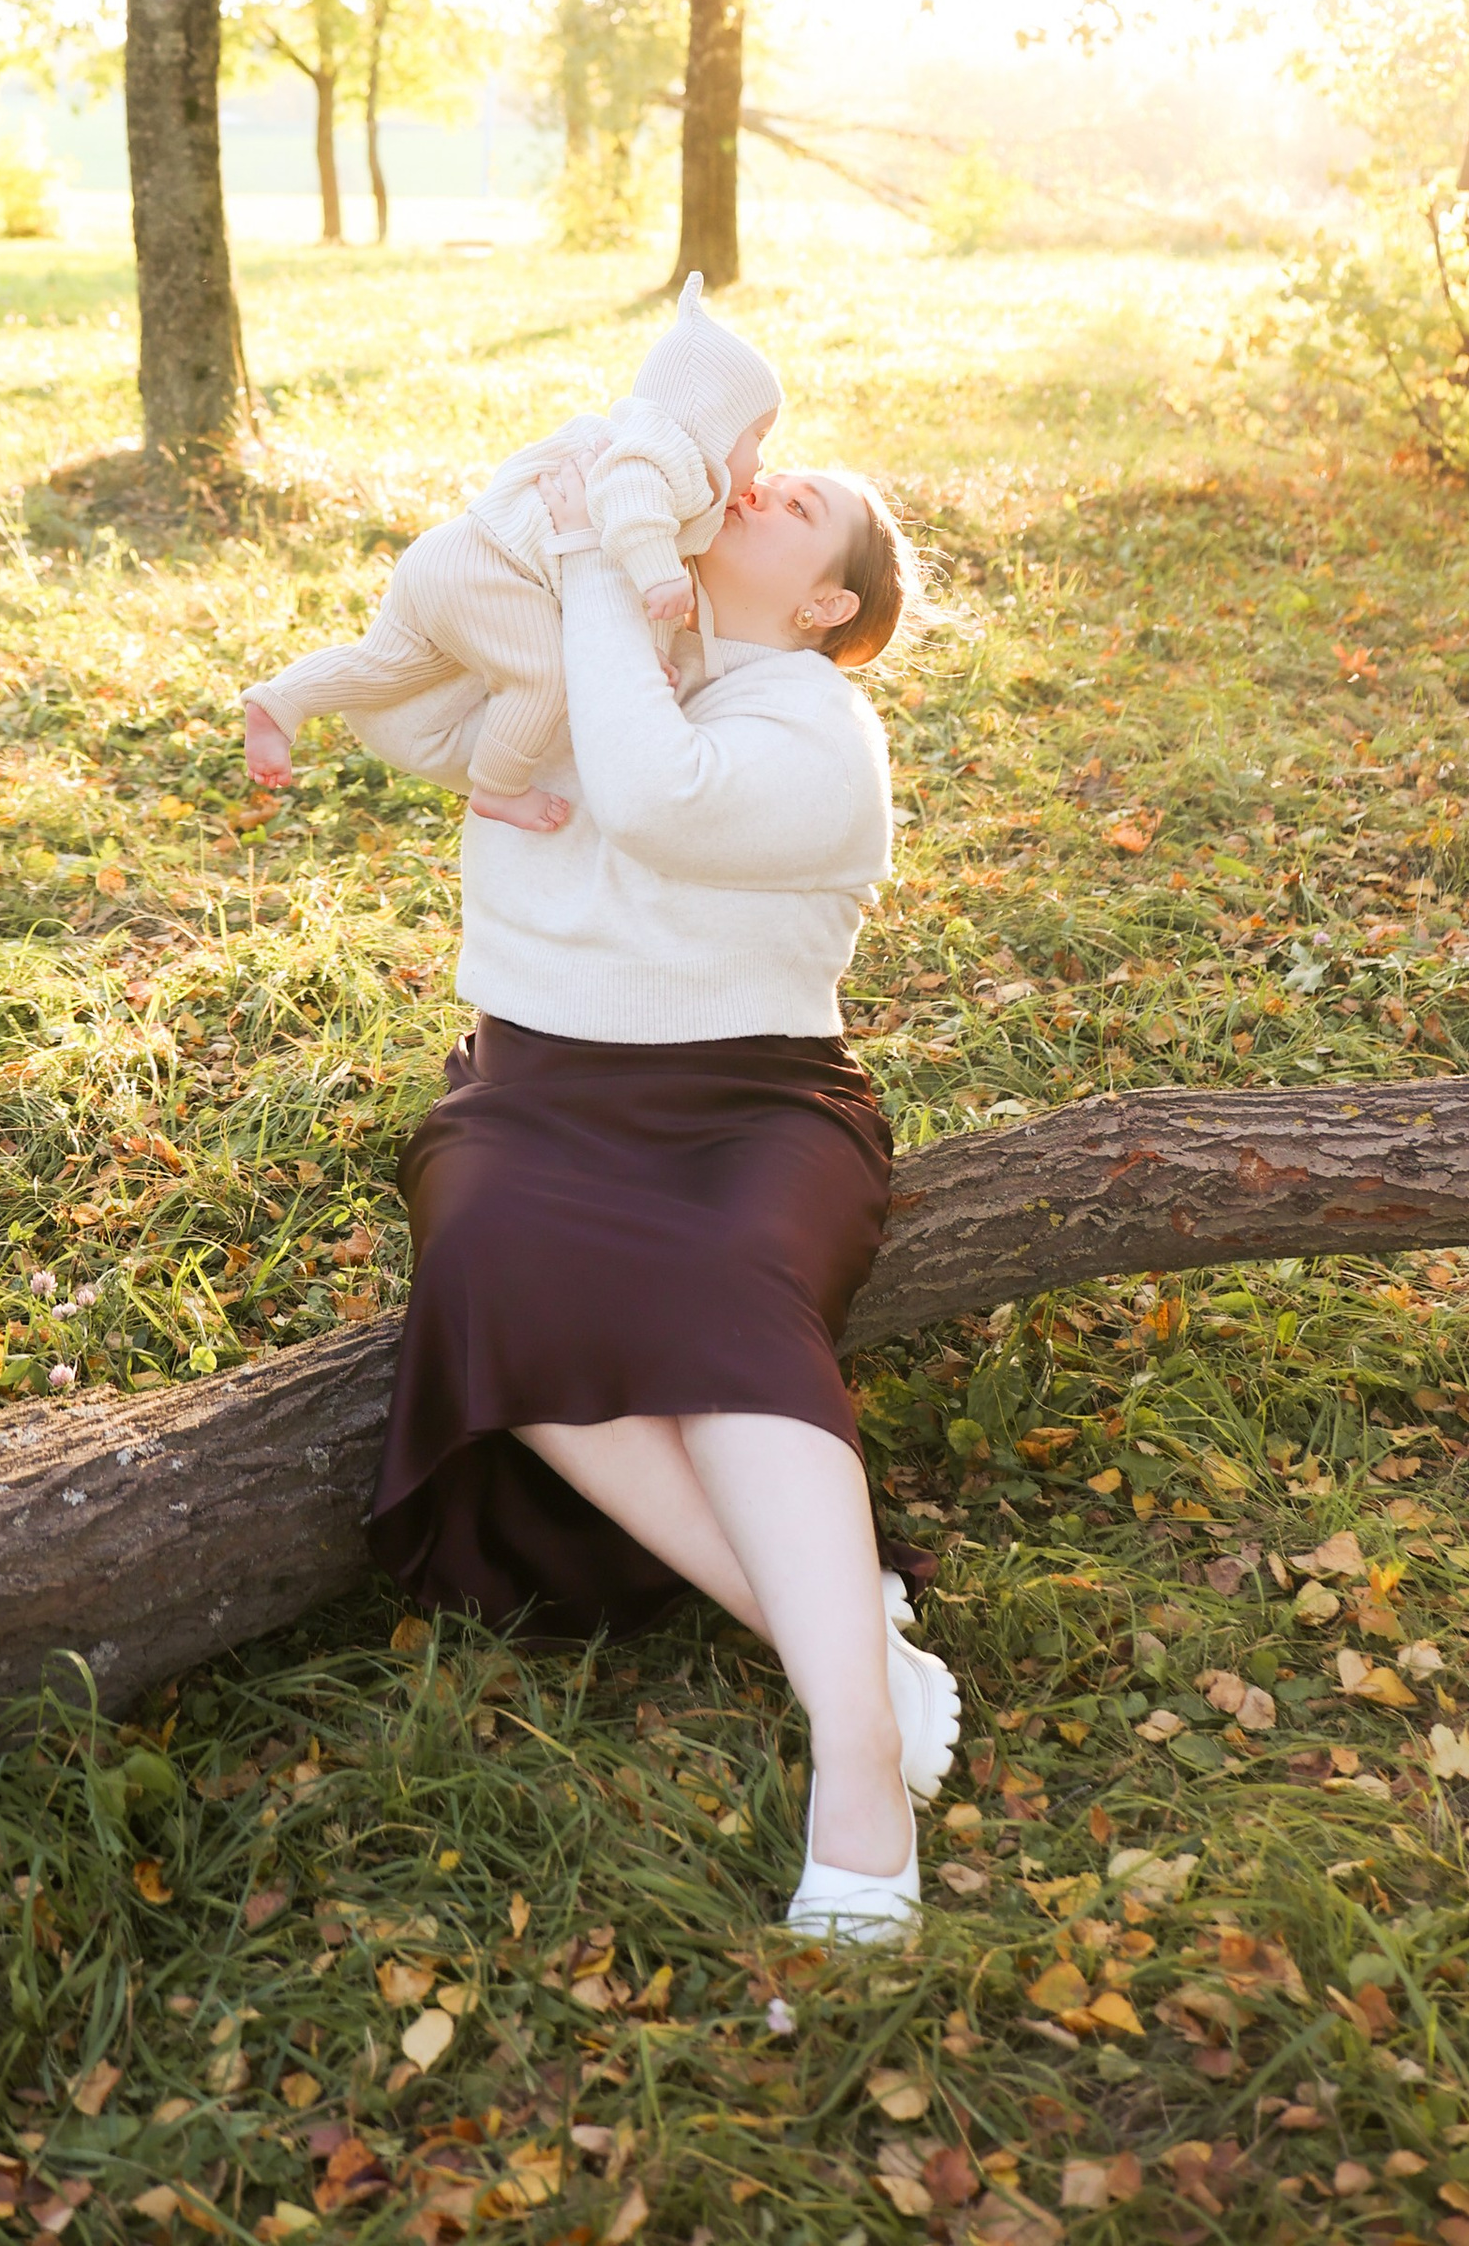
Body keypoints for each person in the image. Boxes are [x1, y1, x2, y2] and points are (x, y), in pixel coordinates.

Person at [349, 456, 961, 1946]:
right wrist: (554, 527)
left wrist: (586, 571)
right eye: (772, 474)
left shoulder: (820, 729)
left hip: (748, 1104)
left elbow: (648, 793)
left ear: (826, 607)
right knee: (486, 1262)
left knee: (725, 1295)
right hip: (537, 1088)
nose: (767, 487)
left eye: (805, 509)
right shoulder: (608, 635)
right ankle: (839, 1646)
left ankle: (859, 1766)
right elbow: (418, 672)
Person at [241, 274, 781, 829]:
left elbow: (614, 585)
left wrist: (646, 655)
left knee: (388, 665)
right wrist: (660, 574)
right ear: (712, 424)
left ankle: (280, 703)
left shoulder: (648, 453)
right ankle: (498, 786)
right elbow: (631, 506)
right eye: (758, 437)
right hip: (498, 572)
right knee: (541, 678)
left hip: (450, 554)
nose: (762, 461)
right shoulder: (660, 453)